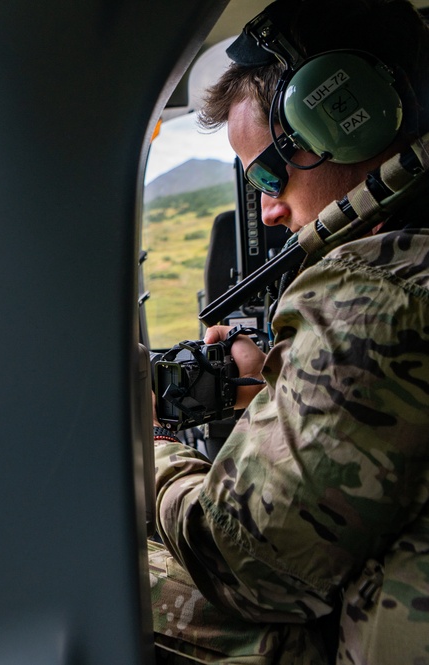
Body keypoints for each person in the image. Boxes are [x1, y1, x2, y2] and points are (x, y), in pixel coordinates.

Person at [148, 1, 429, 663]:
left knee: (112, 568)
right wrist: (280, 391)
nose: (269, 209)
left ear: (348, 118)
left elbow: (245, 564)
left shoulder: (380, 283)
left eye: (269, 175)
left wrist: (151, 449)